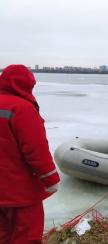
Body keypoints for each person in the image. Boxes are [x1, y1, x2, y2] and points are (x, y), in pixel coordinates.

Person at [0, 65, 60, 243]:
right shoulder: (22, 109)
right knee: (26, 236)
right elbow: (35, 150)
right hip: (20, 192)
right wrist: (51, 179)